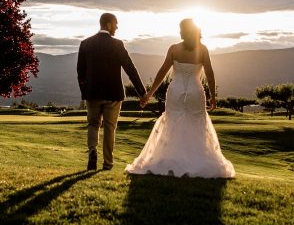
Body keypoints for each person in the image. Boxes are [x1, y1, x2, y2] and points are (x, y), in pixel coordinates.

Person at [127, 18, 235, 178]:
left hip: (175, 91)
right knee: (196, 124)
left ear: (184, 31)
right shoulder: (203, 49)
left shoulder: (174, 49)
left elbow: (162, 72)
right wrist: (213, 97)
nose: (179, 32)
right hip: (195, 91)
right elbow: (210, 74)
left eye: (180, 29)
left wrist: (149, 93)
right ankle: (197, 162)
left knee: (173, 123)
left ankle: (171, 160)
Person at [77, 13, 147, 171]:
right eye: (116, 24)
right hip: (113, 93)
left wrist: (85, 92)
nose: (117, 27)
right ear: (108, 24)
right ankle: (107, 163)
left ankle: (92, 151)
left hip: (92, 93)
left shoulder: (85, 44)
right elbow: (130, 69)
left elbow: (80, 73)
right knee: (110, 127)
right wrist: (142, 92)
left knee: (93, 124)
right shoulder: (117, 44)